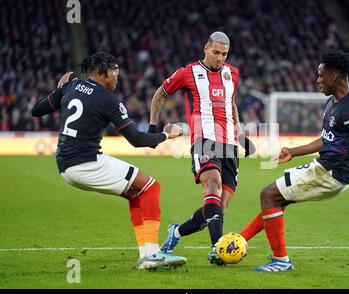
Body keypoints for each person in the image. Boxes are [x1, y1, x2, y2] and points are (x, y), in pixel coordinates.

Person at [31, 52, 187, 271]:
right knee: (152, 187)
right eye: (115, 72)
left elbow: (36, 111)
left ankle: (146, 256)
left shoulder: (70, 87)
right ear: (104, 73)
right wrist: (167, 135)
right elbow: (137, 140)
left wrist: (58, 90)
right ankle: (153, 254)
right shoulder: (107, 99)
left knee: (136, 192)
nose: (117, 77)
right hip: (87, 162)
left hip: (66, 165)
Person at [239, 48, 349, 271]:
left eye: (321, 75)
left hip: (332, 173)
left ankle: (280, 261)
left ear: (334, 76)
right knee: (278, 200)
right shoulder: (333, 102)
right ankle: (237, 242)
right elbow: (327, 139)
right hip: (326, 167)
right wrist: (294, 151)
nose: (317, 80)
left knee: (268, 195)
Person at [149, 31, 255, 265]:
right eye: (216, 52)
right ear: (205, 48)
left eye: (224, 54)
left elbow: (232, 103)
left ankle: (176, 233)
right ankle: (218, 249)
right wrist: (152, 126)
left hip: (228, 145)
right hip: (204, 140)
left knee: (220, 208)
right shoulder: (188, 72)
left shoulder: (232, 73)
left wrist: (240, 134)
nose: (220, 58)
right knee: (213, 184)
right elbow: (160, 93)